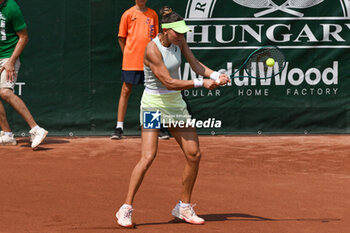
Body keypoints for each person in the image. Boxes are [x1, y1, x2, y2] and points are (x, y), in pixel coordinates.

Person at [115, 6, 230, 227]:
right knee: (148, 157)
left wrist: (215, 75)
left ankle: (184, 207)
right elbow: (168, 82)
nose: (181, 36)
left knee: (194, 154)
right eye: (177, 32)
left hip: (175, 106)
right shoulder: (152, 50)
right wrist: (201, 83)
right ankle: (125, 208)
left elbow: (195, 65)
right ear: (165, 30)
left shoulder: (180, 42)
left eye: (183, 32)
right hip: (153, 106)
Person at [112, 0, 172, 140]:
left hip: (151, 61)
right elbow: (122, 39)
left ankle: (157, 127)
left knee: (155, 92)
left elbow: (158, 37)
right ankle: (119, 127)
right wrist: (128, 54)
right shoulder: (128, 14)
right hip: (131, 61)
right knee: (126, 90)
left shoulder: (152, 15)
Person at [0, 0, 47, 148]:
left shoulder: (12, 8)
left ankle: (36, 129)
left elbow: (24, 37)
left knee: (5, 92)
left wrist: (11, 62)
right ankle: (7, 134)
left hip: (9, 56)